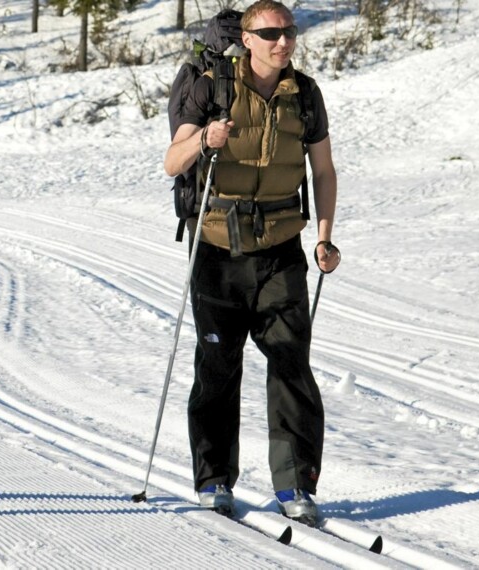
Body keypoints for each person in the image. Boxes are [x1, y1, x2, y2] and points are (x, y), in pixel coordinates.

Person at [162, 0, 341, 524]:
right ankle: (214, 478)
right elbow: (172, 161)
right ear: (247, 37)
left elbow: (324, 171)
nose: (283, 42)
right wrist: (203, 138)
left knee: (290, 363)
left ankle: (295, 486)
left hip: (281, 247)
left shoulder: (304, 93)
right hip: (217, 246)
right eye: (270, 33)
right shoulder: (212, 88)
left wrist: (325, 237)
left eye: (289, 31)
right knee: (219, 366)